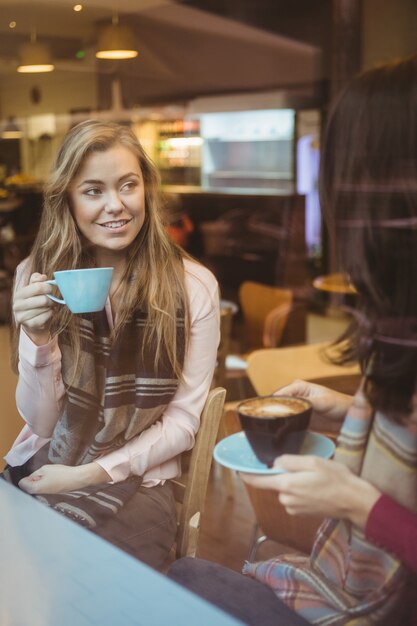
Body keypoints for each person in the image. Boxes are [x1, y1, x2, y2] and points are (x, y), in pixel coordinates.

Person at [168, 54, 417, 625]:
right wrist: (349, 412)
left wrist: (357, 502)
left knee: (181, 579)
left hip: (371, 604)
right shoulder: (397, 329)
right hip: (347, 577)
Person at [1, 120, 220, 569]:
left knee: (60, 564)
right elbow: (43, 422)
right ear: (69, 200)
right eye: (94, 190)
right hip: (50, 457)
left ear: (147, 189)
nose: (116, 206)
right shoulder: (37, 277)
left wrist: (89, 474)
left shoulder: (193, 286)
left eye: (128, 185)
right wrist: (38, 340)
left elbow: (182, 423)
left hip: (141, 482)